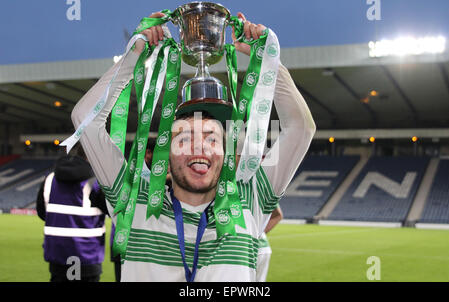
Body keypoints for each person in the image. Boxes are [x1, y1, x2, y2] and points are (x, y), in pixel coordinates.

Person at [70, 11, 315, 281]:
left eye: (212, 138)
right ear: (165, 152)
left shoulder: (248, 202)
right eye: (184, 138)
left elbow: (301, 127)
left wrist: (266, 60)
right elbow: (86, 121)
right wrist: (134, 56)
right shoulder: (132, 201)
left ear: (225, 153)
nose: (200, 147)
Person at [36, 144, 107, 282]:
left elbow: (42, 213)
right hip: (88, 256)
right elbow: (114, 210)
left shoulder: (50, 179)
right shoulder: (97, 182)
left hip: (58, 256)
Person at [256, 206, 283, 282]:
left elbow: (278, 215)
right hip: (261, 248)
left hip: (253, 249)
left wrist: (259, 233)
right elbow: (278, 214)